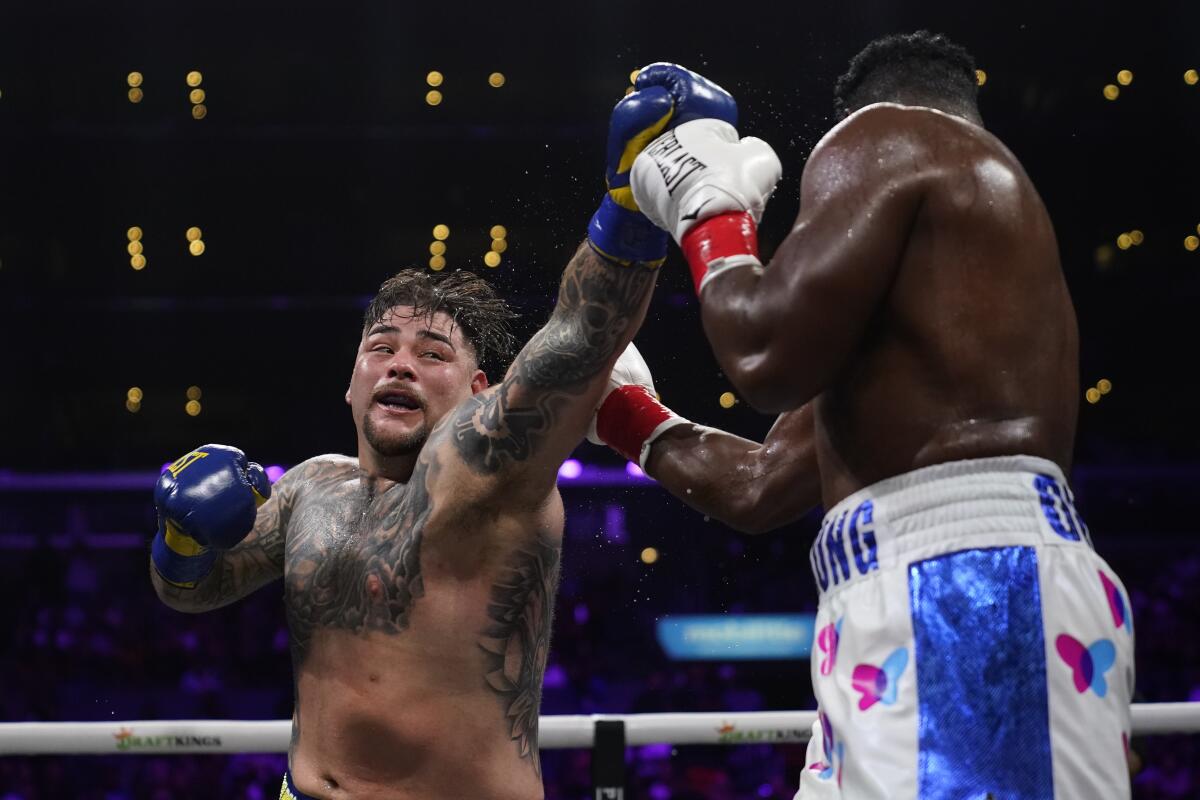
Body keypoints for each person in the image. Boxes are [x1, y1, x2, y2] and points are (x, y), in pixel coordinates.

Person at [148, 68, 736, 799]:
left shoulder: (484, 468)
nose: (400, 366)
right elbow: (193, 593)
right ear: (351, 381)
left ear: (479, 394)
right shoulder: (307, 489)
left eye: (432, 355)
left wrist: (629, 203)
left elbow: (582, 335)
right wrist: (179, 537)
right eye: (380, 348)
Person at [591, 35, 1135, 798]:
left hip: (965, 592)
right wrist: (623, 415)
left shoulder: (887, 135)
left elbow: (762, 351)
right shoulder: (943, 344)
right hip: (922, 599)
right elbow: (759, 486)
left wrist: (702, 202)